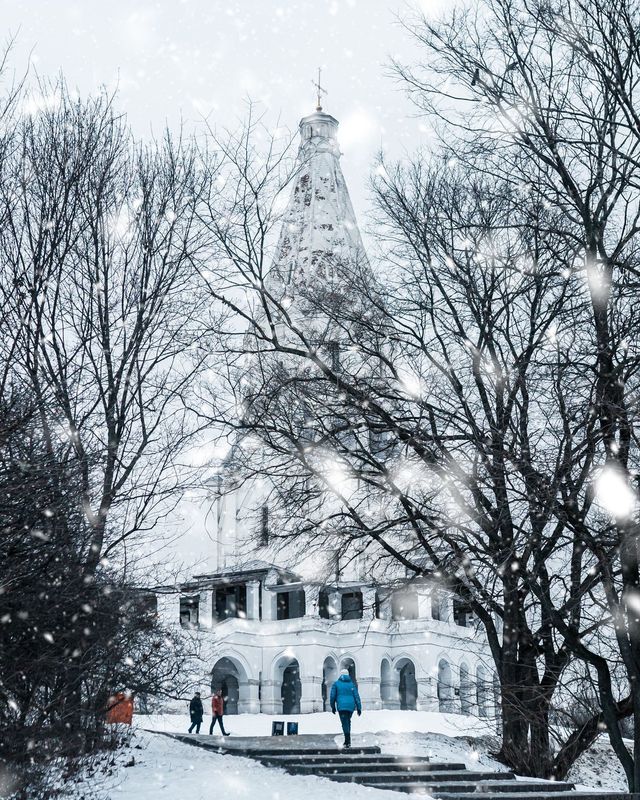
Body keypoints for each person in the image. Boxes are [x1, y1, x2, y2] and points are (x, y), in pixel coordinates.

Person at [330, 669, 362, 748]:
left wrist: (333, 706)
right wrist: (359, 707)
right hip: (350, 706)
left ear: (340, 675)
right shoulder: (352, 684)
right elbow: (356, 696)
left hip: (341, 706)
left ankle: (347, 741)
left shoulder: (336, 684)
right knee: (347, 722)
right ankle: (347, 740)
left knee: (344, 723)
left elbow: (332, 696)